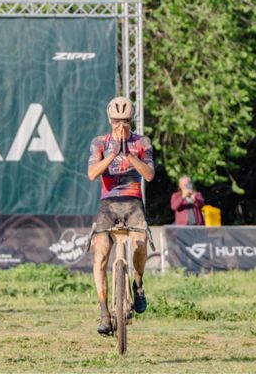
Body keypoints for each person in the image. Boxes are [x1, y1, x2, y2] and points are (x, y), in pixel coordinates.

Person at [87, 97, 155, 335]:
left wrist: (130, 155)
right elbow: (92, 174)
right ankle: (104, 313)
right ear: (110, 121)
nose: (120, 126)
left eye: (125, 121)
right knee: (100, 253)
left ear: (131, 120)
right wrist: (112, 155)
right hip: (108, 203)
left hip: (133, 201)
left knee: (140, 244)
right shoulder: (100, 142)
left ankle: (138, 285)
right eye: (116, 121)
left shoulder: (142, 142)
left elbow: (149, 176)